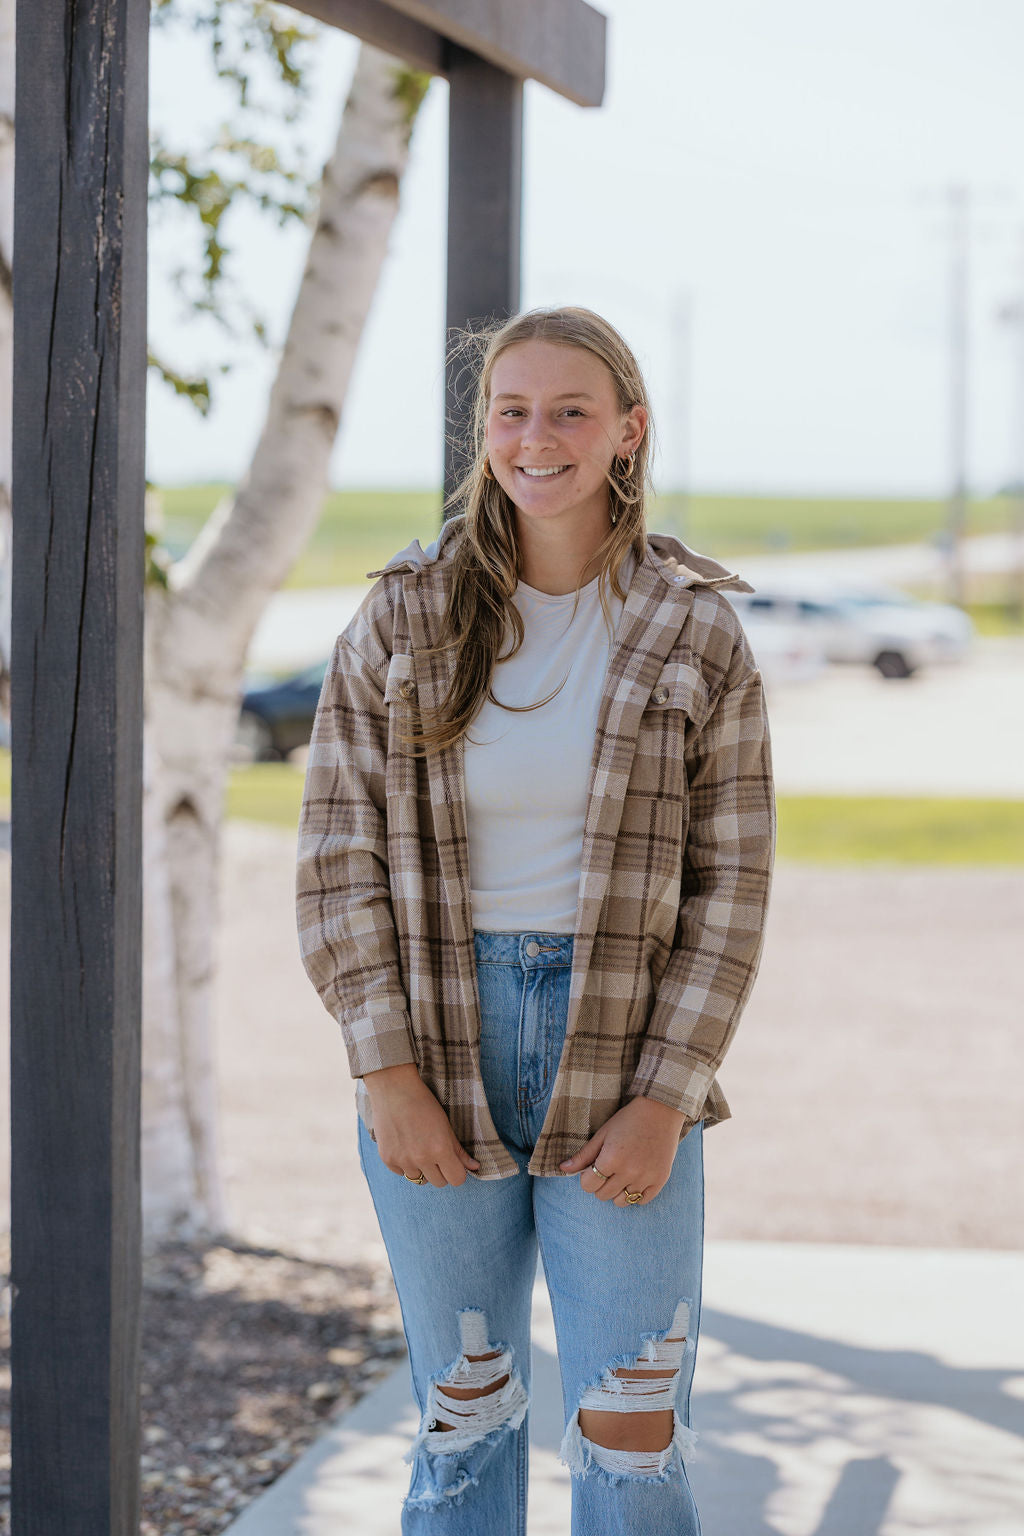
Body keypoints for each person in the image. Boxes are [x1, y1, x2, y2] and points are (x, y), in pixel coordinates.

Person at [295, 305, 775, 1535]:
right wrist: (384, 1071)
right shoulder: (402, 618)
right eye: (511, 410)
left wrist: (668, 1096)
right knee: (466, 1418)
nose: (536, 436)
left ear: (628, 431)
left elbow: (733, 888)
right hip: (435, 1055)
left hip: (623, 1062)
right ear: (483, 429)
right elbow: (337, 861)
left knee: (633, 1426)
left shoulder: (696, 629)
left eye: (570, 410)